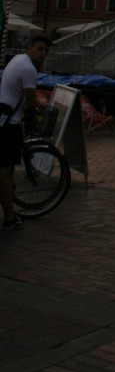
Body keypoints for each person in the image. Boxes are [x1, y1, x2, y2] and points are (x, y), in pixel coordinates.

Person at [0, 35, 51, 230]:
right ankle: (9, 218)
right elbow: (30, 101)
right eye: (40, 49)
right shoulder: (29, 68)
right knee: (5, 169)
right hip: (8, 122)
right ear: (30, 47)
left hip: (4, 115)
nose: (43, 54)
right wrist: (40, 110)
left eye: (46, 51)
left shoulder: (17, 59)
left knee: (7, 167)